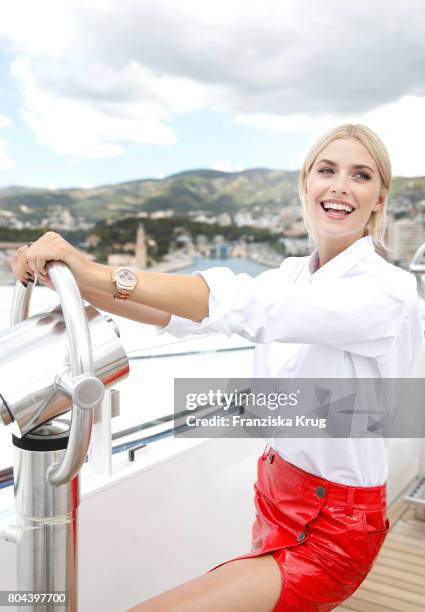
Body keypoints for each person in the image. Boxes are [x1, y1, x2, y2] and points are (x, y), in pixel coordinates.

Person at [9, 123, 423, 611]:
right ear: (306, 183)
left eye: (361, 175)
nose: (340, 186)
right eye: (327, 170)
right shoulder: (293, 274)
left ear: (379, 198)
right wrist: (70, 283)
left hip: (333, 531)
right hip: (276, 502)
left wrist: (92, 269)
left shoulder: (387, 291)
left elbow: (241, 304)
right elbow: (175, 315)